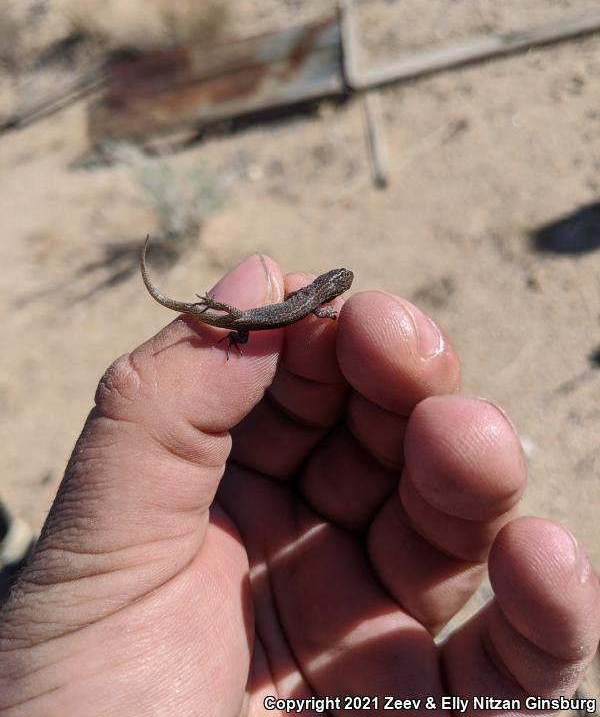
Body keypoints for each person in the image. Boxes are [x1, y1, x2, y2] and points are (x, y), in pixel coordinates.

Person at [0, 254, 598, 715]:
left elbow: (301, 308)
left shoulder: (311, 301)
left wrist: (238, 317)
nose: (333, 291)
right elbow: (304, 310)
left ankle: (218, 316)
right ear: (333, 295)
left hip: (245, 320)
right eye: (337, 289)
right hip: (245, 322)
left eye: (334, 289)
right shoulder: (314, 304)